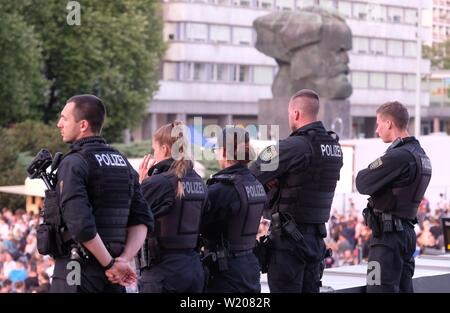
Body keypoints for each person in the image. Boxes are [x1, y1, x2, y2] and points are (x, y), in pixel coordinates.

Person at [50, 94, 153, 293]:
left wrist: (110, 265)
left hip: (78, 270)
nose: (58, 124)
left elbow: (81, 225)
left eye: (64, 118)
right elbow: (142, 219)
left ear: (83, 125)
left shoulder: (74, 163)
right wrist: (123, 260)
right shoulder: (122, 162)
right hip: (114, 278)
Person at [250, 89, 343, 293]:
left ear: (296, 113)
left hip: (288, 244)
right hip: (316, 240)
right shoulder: (334, 147)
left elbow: (251, 174)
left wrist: (273, 181)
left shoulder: (292, 146)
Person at [355, 101, 432, 293]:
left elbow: (362, 181)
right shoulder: (421, 155)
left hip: (386, 241)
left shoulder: (398, 156)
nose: (376, 130)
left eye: (378, 123)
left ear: (389, 123)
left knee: (376, 288)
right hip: (406, 235)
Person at [137, 120, 207, 293]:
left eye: (154, 149)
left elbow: (133, 216)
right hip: (193, 269)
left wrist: (142, 185)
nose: (154, 154)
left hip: (163, 272)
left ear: (165, 149)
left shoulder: (159, 183)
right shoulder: (199, 181)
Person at [201, 127, 266, 293]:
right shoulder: (256, 184)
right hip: (250, 267)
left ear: (223, 151)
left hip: (225, 274)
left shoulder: (221, 190)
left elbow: (196, 226)